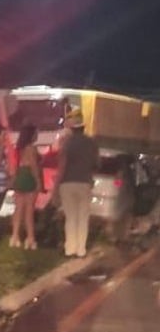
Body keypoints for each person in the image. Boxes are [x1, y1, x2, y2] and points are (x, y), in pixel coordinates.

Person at [55, 109, 99, 257]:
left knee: (71, 217)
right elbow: (96, 163)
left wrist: (56, 187)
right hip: (85, 182)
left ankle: (70, 248)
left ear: (73, 129)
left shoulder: (67, 144)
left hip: (67, 183)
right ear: (84, 128)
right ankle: (81, 250)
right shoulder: (91, 143)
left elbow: (62, 164)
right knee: (83, 217)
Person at [10, 124, 43, 249]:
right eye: (36, 133)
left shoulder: (19, 148)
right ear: (31, 135)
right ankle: (30, 238)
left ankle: (14, 237)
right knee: (29, 211)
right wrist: (38, 181)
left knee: (18, 210)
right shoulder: (31, 148)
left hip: (20, 177)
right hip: (29, 177)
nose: (37, 135)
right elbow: (34, 166)